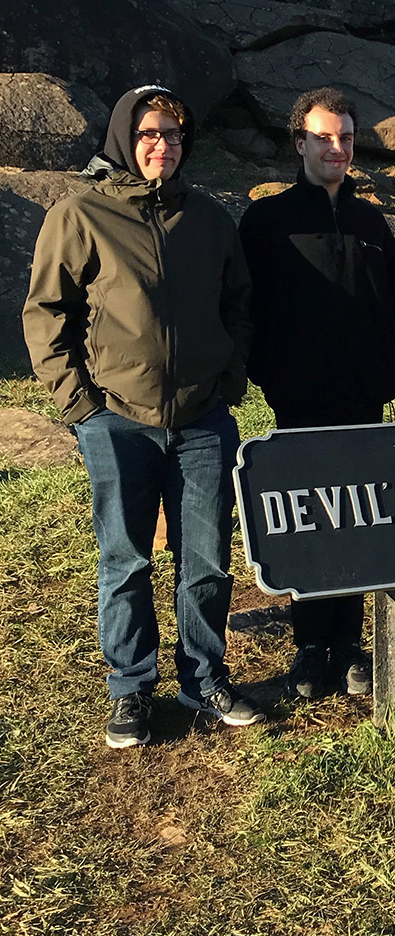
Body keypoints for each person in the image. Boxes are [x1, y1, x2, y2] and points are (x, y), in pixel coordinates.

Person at [24, 84, 262, 747]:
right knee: (125, 558)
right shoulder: (82, 215)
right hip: (117, 420)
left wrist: (230, 375)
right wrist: (82, 408)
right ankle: (130, 687)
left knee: (208, 558)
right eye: (151, 133)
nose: (164, 145)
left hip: (202, 420)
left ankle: (202, 676)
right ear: (126, 138)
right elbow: (47, 314)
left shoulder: (209, 219)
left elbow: (240, 303)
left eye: (175, 135)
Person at [238, 87, 395, 700]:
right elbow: (244, 308)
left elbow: (393, 303)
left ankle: (352, 644)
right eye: (324, 137)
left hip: (365, 399)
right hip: (299, 402)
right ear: (300, 142)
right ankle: (311, 645)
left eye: (347, 137)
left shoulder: (370, 221)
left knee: (359, 519)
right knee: (311, 521)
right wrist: (272, 374)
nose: (337, 148)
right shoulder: (267, 221)